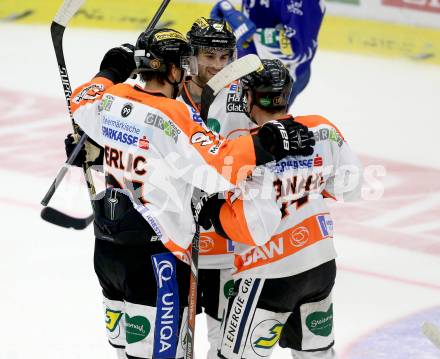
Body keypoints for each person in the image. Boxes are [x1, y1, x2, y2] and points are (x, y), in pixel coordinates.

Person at [64, 28, 315, 359]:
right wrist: (265, 143)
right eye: (182, 64)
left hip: (109, 252)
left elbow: (80, 99)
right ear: (171, 70)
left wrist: (111, 69)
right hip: (155, 255)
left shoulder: (112, 99)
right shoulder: (173, 115)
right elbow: (219, 167)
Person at [201, 59, 363, 359]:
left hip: (269, 273)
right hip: (320, 264)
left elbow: (254, 227)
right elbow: (351, 184)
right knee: (316, 354)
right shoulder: (321, 128)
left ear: (249, 98)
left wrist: (215, 211)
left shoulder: (248, 150)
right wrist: (307, 184)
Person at [179, 17, 257, 359]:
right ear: (191, 55)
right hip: (178, 237)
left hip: (226, 239)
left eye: (224, 57)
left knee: (225, 342)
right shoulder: (168, 94)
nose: (217, 65)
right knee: (174, 337)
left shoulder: (243, 96)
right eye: (209, 56)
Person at [210, 0, 325, 106]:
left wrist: (248, 35)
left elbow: (297, 49)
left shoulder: (306, 2)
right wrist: (232, 25)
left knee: (255, 125)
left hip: (280, 77)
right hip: (249, 66)